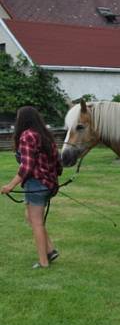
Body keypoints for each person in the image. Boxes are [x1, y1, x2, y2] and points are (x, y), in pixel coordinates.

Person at [1, 106, 61, 268]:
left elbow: (26, 167)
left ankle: (43, 262)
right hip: (48, 184)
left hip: (36, 184)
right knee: (30, 216)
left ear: (22, 120)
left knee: (36, 223)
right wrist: (52, 180)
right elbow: (58, 163)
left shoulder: (27, 136)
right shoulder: (46, 136)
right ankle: (50, 250)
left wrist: (10, 186)